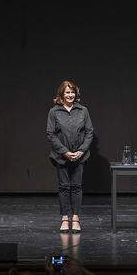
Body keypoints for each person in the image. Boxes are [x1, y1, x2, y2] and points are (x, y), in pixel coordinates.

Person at [46, 80, 94, 233]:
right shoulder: (54, 112)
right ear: (61, 94)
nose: (70, 95)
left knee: (77, 187)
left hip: (80, 156)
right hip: (61, 156)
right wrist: (64, 152)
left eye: (72, 92)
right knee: (64, 187)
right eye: (67, 92)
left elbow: (89, 132)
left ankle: (76, 218)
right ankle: (65, 219)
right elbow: (50, 134)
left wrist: (81, 150)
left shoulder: (83, 110)